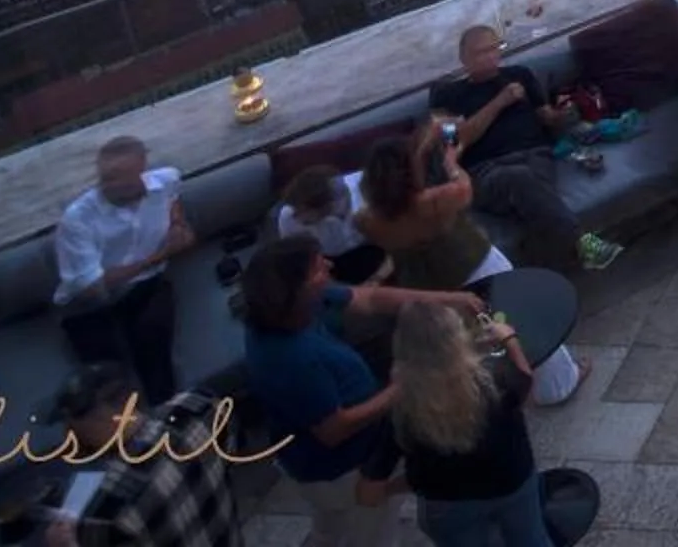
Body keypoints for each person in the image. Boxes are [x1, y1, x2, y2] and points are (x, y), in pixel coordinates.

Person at [241, 234, 486, 547]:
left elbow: (370, 299)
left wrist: (447, 299)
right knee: (371, 528)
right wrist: (403, 386)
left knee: (332, 524)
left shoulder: (302, 306)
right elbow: (333, 429)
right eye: (318, 268)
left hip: (325, 467)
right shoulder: (291, 359)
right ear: (297, 289)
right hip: (342, 469)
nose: (329, 266)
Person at [354, 125, 587, 404]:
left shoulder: (367, 220)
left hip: (425, 284)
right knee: (524, 318)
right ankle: (558, 385)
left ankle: (488, 393)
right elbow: (465, 188)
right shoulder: (435, 202)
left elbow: (397, 243)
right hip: (474, 265)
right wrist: (451, 160)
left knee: (468, 341)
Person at [424, 28, 620, 273]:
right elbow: (455, 140)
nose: (490, 56)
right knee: (520, 179)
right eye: (480, 52)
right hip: (485, 171)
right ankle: (583, 243)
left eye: (494, 49)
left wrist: (565, 114)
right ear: (463, 58)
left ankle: (547, 278)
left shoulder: (520, 75)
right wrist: (499, 101)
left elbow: (546, 117)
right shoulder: (447, 95)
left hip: (535, 156)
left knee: (529, 191)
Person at [387, 302, 552, 547]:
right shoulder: (493, 380)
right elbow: (525, 385)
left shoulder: (400, 405)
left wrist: (409, 483)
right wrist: (510, 340)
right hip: (510, 481)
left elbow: (369, 492)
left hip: (447, 503)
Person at [37, 361, 242, 547]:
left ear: (84, 421)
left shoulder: (104, 512)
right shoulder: (200, 406)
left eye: (67, 423)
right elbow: (231, 451)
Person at [52, 137, 190, 401]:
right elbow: (93, 286)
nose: (108, 185)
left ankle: (167, 417)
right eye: (105, 177)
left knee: (155, 345)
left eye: (117, 177)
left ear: (141, 172)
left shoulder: (165, 181)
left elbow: (174, 194)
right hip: (90, 305)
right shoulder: (78, 219)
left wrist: (177, 224)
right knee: (109, 376)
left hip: (148, 285)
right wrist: (161, 254)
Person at [277, 168, 390, 287]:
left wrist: (377, 279)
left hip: (367, 251)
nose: (295, 217)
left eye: (300, 212)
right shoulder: (288, 215)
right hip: (324, 260)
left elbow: (392, 250)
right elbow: (295, 259)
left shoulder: (364, 209)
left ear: (325, 209)